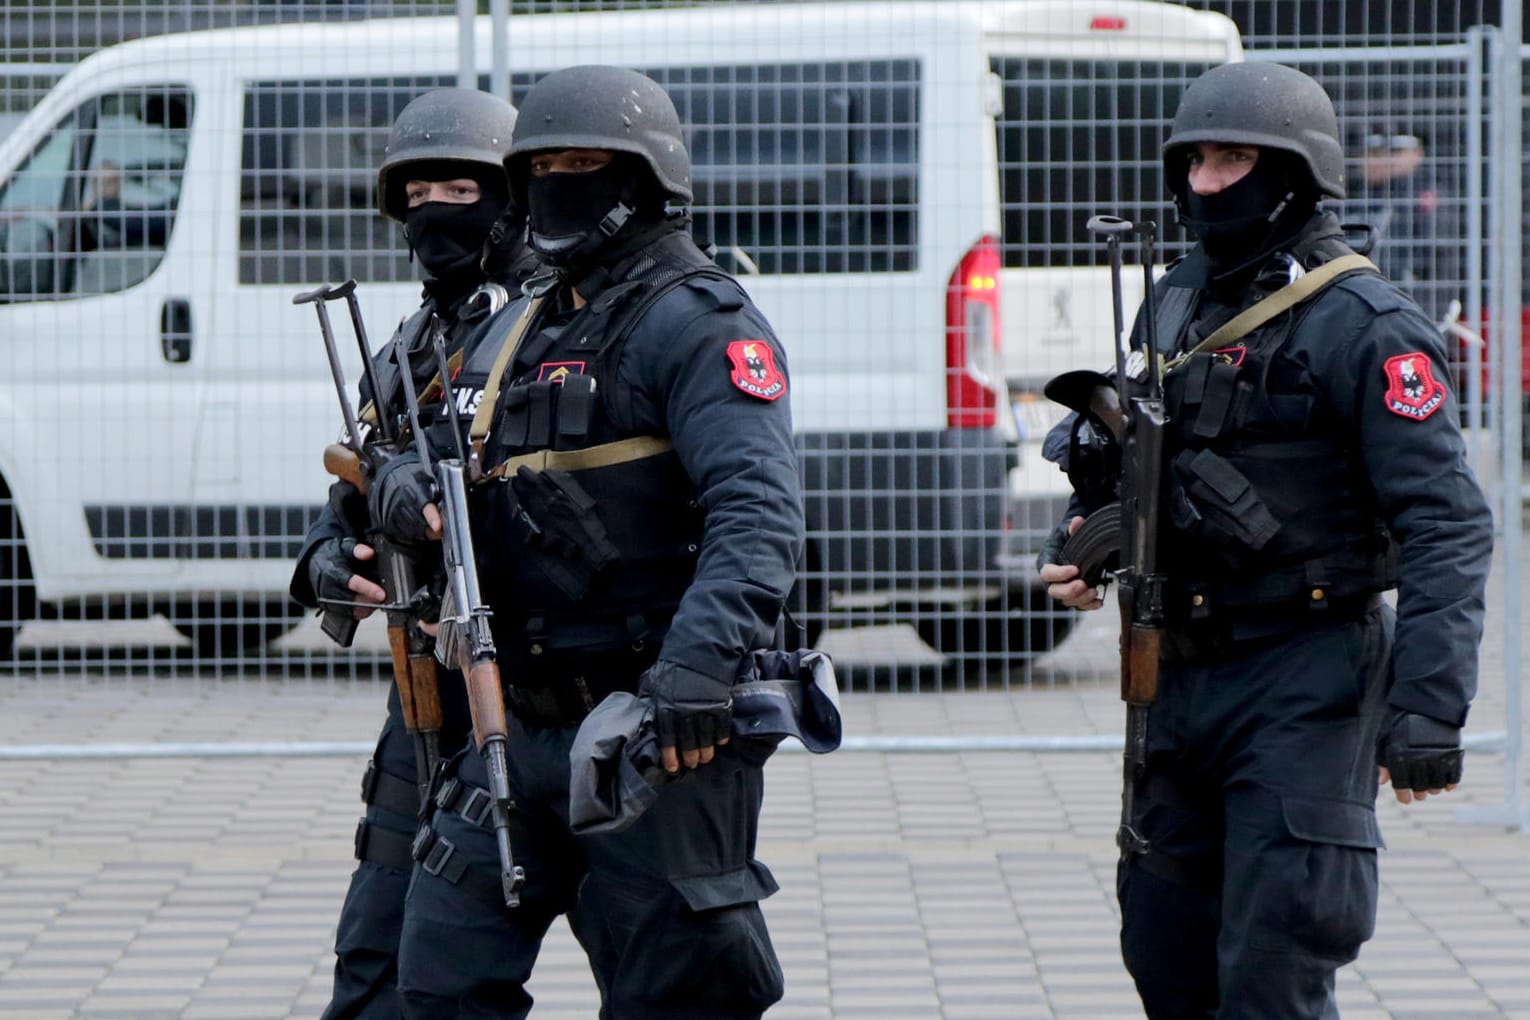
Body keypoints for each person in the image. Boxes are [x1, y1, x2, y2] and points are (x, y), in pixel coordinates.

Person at [1037, 62, 1492, 1018]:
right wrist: (1088, 536)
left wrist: (1428, 708)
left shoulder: (1367, 326)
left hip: (1307, 678)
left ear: (1293, 171)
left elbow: (1447, 522)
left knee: (1272, 972)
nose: (1207, 182)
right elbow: (1142, 460)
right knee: (1163, 952)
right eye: (1195, 159)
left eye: (1234, 158)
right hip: (1174, 674)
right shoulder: (1172, 298)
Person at [379, 65, 803, 1019]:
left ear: (646, 179)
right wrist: (404, 481)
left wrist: (694, 675)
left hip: (651, 733)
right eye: (543, 168)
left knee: (675, 996)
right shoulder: (524, 320)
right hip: (510, 725)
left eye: (585, 164)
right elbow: (430, 447)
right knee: (436, 985)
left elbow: (759, 514)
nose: (559, 186)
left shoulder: (697, 321)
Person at [287, 86, 534, 1020]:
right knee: (380, 963)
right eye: (419, 189)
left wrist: (434, 485)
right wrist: (324, 559)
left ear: (507, 199)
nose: (437, 207)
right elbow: (349, 493)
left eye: (461, 188)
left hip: (545, 693)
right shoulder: (404, 349)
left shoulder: (547, 330)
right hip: (423, 701)